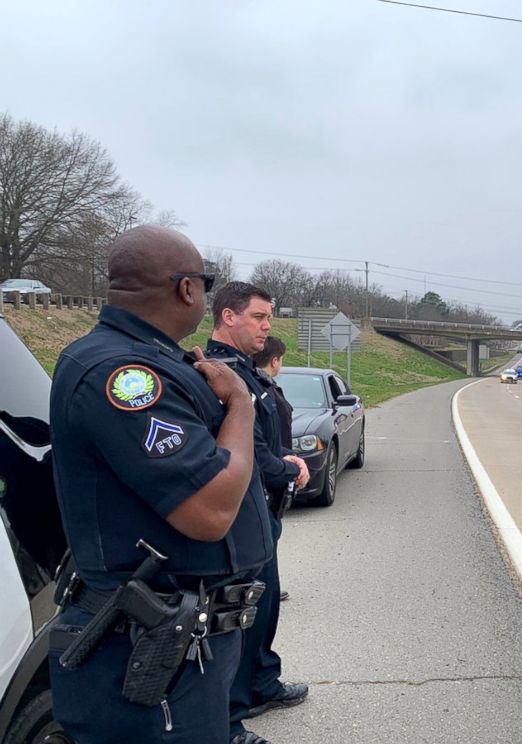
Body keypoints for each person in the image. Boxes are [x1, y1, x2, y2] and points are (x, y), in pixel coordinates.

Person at [47, 226, 274, 744]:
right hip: (150, 650)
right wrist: (239, 403)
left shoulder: (156, 359)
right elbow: (210, 510)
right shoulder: (123, 374)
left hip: (183, 644)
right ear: (187, 288)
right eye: (206, 282)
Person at [205, 283, 310, 743]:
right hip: (241, 511)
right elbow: (244, 448)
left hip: (260, 510)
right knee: (234, 618)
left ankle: (261, 684)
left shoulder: (245, 371)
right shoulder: (219, 373)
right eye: (259, 317)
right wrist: (284, 468)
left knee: (263, 606)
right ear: (229, 317)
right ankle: (227, 719)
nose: (268, 326)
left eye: (269, 317)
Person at [253, 336, 293, 600]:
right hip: (271, 473)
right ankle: (265, 589)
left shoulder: (262, 387)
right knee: (268, 534)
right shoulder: (264, 392)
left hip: (275, 467)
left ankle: (266, 586)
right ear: (275, 361)